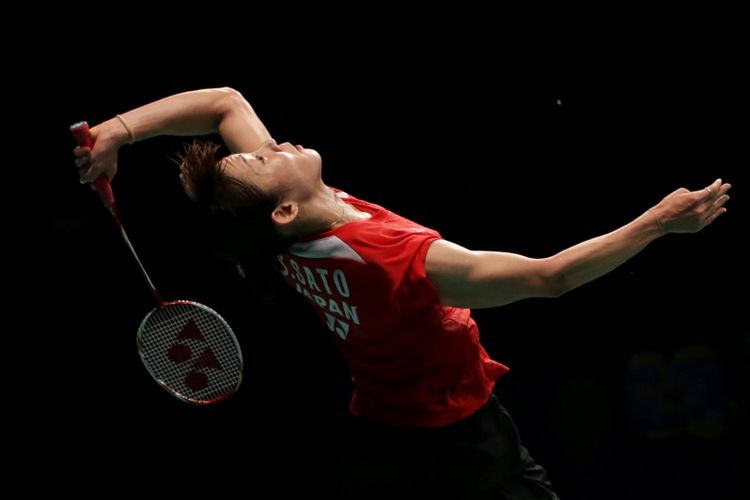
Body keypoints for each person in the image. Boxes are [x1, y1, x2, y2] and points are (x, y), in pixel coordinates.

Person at [73, 87, 731, 499]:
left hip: (374, 435)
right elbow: (548, 277)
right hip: (460, 448)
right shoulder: (394, 263)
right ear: (281, 209)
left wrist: (114, 132)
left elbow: (222, 103)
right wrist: (657, 224)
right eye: (264, 158)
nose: (273, 145)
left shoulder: (279, 237)